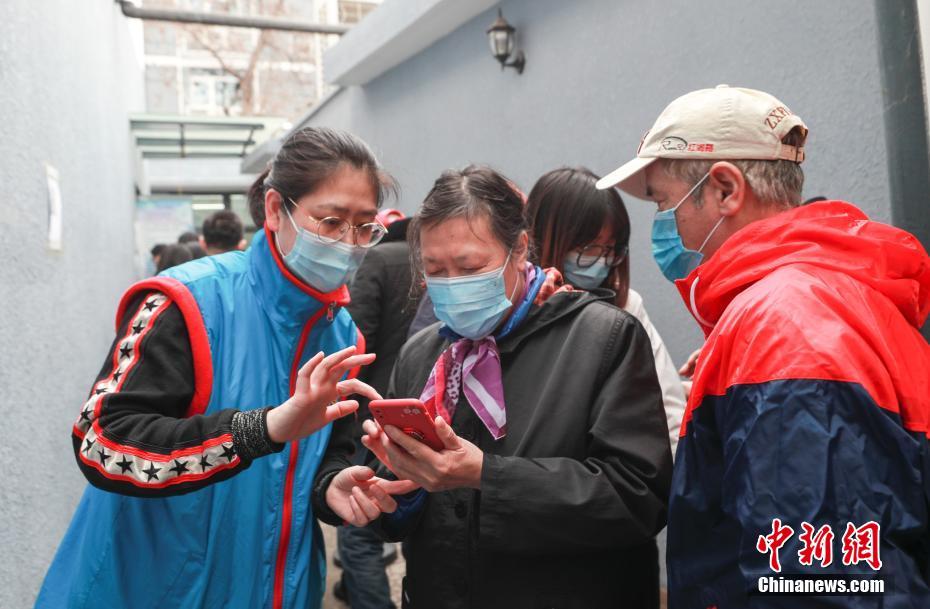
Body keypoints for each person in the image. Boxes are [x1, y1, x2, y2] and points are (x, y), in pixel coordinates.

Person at [35, 127, 415, 609]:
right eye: (332, 221)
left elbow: (324, 460)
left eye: (365, 227)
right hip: (152, 590)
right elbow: (101, 443)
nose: (350, 243)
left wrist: (330, 487)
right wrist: (260, 430)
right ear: (276, 210)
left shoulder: (345, 336)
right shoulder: (187, 302)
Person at [597, 85, 930, 607]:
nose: (664, 225)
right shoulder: (818, 298)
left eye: (665, 202)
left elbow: (815, 582)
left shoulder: (786, 325)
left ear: (726, 189)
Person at [312, 165, 673, 609]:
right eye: (435, 270)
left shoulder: (603, 337)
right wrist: (390, 489)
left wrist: (486, 474)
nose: (452, 284)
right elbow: (423, 508)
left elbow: (638, 497)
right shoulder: (426, 353)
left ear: (519, 249)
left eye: (469, 266)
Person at [526, 166, 686, 457]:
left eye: (610, 249)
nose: (602, 262)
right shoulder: (512, 315)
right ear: (538, 238)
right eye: (587, 248)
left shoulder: (626, 308)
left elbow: (668, 410)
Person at [335, 211, 415, 609]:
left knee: (359, 527)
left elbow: (355, 340)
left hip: (374, 413)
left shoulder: (379, 261)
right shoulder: (429, 262)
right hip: (429, 414)